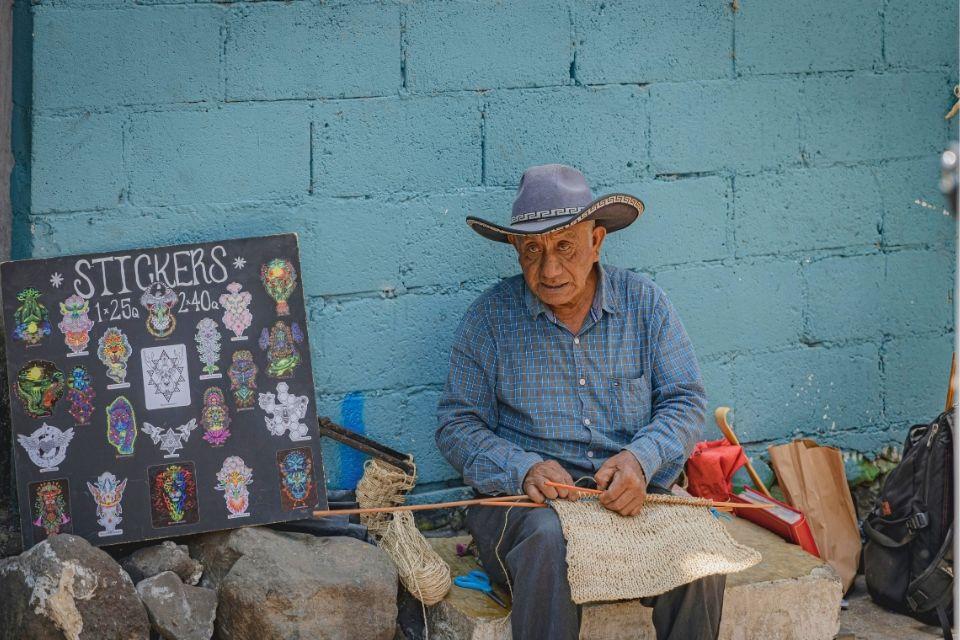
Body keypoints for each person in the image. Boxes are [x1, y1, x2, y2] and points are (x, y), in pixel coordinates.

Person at [436, 164, 724, 640]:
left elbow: (685, 400)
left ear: (596, 241)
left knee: (702, 556)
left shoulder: (645, 304)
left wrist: (640, 460)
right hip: (528, 506)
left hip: (630, 496)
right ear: (516, 249)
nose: (549, 270)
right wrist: (522, 468)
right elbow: (456, 425)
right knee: (549, 541)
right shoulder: (490, 319)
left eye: (565, 247)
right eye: (533, 250)